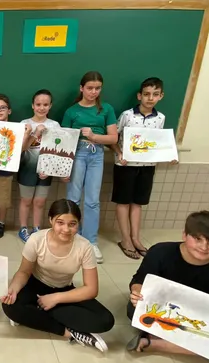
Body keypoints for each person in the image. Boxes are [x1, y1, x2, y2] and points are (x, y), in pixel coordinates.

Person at [126, 211, 209, 357]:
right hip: (164, 309)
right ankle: (205, 349)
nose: (204, 247)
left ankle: (157, 345)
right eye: (198, 239)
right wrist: (138, 293)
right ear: (184, 235)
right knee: (137, 312)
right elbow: (139, 280)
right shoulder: (160, 252)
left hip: (201, 316)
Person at [2, 199, 114, 352]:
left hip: (63, 291)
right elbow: (24, 272)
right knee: (10, 306)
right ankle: (69, 332)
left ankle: (37, 312)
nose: (66, 229)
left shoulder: (85, 246)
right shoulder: (36, 240)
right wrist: (13, 289)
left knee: (105, 320)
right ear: (51, 221)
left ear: (78, 224)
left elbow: (91, 289)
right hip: (35, 285)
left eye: (72, 224)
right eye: (60, 222)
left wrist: (55, 299)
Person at [111, 77, 175, 259]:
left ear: (161, 96)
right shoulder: (127, 115)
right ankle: (125, 239)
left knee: (138, 202)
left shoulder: (160, 118)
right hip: (125, 165)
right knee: (123, 201)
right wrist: (119, 153)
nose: (150, 98)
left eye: (155, 94)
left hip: (147, 166)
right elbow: (114, 137)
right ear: (139, 96)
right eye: (146, 94)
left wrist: (169, 154)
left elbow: (158, 142)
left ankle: (136, 238)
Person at [62, 71, 118, 264]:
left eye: (97, 88)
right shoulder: (71, 111)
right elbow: (63, 139)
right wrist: (63, 167)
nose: (93, 92)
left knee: (93, 200)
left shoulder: (106, 109)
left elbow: (113, 137)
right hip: (77, 153)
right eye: (90, 88)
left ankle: (90, 241)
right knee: (73, 198)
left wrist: (94, 137)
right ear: (81, 88)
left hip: (97, 154)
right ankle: (69, 236)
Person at [0, 94, 30, 239]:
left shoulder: (16, 130)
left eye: (3, 107)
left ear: (9, 110)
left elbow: (20, 149)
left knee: (3, 199)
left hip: (6, 172)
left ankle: (1, 223)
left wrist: (26, 134)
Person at [17, 89, 61, 242]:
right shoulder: (24, 124)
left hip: (46, 170)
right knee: (26, 200)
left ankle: (36, 228)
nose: (41, 108)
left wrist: (50, 170)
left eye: (45, 104)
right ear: (32, 105)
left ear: (50, 106)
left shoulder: (55, 125)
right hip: (27, 167)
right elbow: (21, 149)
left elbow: (57, 151)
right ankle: (23, 228)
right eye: (38, 104)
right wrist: (35, 134)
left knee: (40, 201)